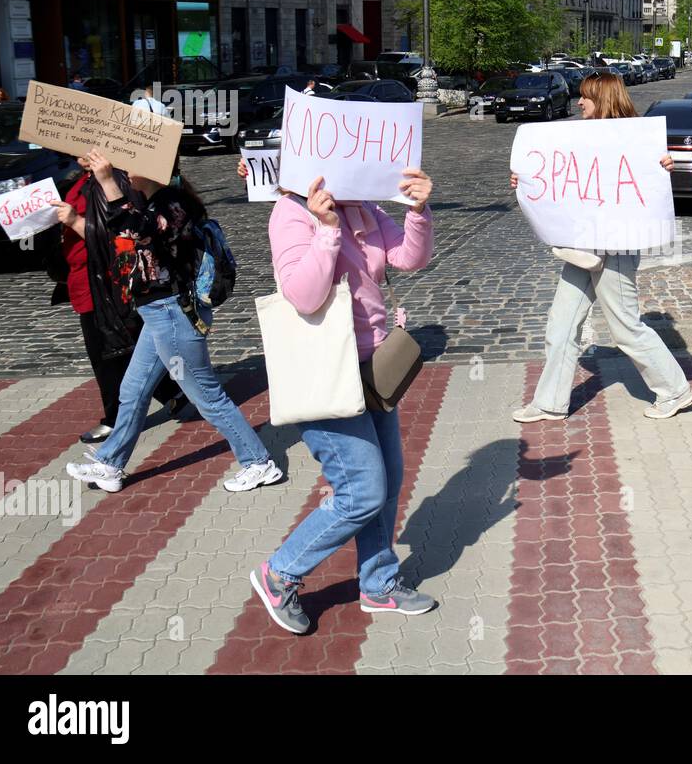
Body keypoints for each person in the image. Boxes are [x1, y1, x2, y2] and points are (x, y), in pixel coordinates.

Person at [250, 165, 437, 634]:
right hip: (325, 373)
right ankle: (279, 574)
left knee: (389, 480)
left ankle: (378, 584)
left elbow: (409, 258)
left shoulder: (364, 204)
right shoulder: (290, 213)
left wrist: (417, 211)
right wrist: (328, 230)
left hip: (372, 369)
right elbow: (305, 296)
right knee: (361, 491)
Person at [66, 149, 279, 495]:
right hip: (157, 315)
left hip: (173, 314)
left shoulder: (171, 205)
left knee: (207, 395)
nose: (124, 170)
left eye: (131, 163)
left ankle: (258, 462)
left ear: (153, 170)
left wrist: (106, 182)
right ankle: (110, 464)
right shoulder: (158, 200)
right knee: (133, 390)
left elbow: (135, 233)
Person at [508, 71, 692, 423]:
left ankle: (675, 391)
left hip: (618, 247)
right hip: (583, 247)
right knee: (561, 325)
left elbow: (653, 179)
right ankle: (549, 402)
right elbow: (559, 176)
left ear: (604, 99)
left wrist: (666, 166)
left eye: (586, 97)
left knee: (625, 326)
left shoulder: (637, 137)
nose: (579, 102)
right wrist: (525, 179)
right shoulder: (577, 136)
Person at [50, 158, 185, 444]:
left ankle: (114, 420)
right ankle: (172, 392)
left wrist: (75, 221)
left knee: (107, 352)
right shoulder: (81, 181)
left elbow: (122, 236)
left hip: (104, 281)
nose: (79, 155)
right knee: (126, 346)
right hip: (83, 278)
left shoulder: (117, 181)